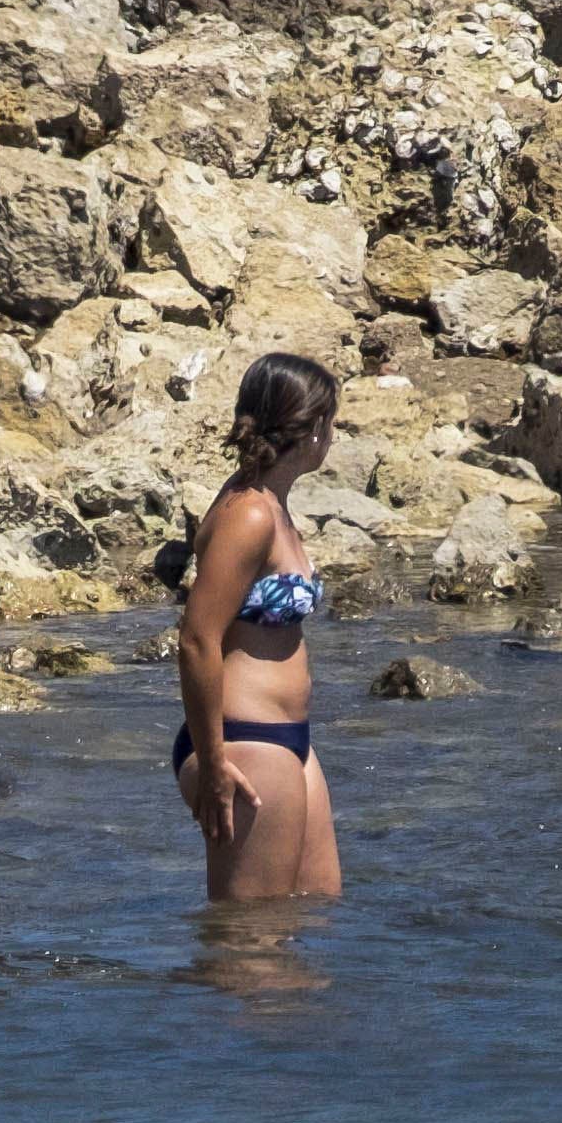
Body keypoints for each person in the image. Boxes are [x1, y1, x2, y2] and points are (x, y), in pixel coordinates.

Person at [172, 349, 344, 906]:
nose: (334, 434)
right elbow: (196, 638)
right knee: (249, 943)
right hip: (244, 743)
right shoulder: (248, 513)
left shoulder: (269, 500)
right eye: (332, 421)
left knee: (315, 907)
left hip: (290, 740)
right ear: (311, 428)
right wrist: (214, 761)